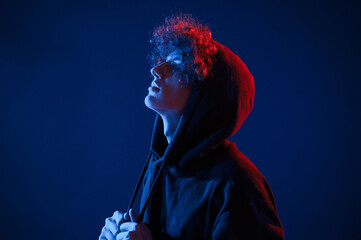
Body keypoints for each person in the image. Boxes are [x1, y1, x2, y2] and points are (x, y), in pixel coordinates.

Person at [99, 13, 284, 240]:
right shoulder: (159, 166)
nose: (156, 70)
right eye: (163, 60)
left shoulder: (238, 186)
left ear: (205, 96)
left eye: (176, 66)